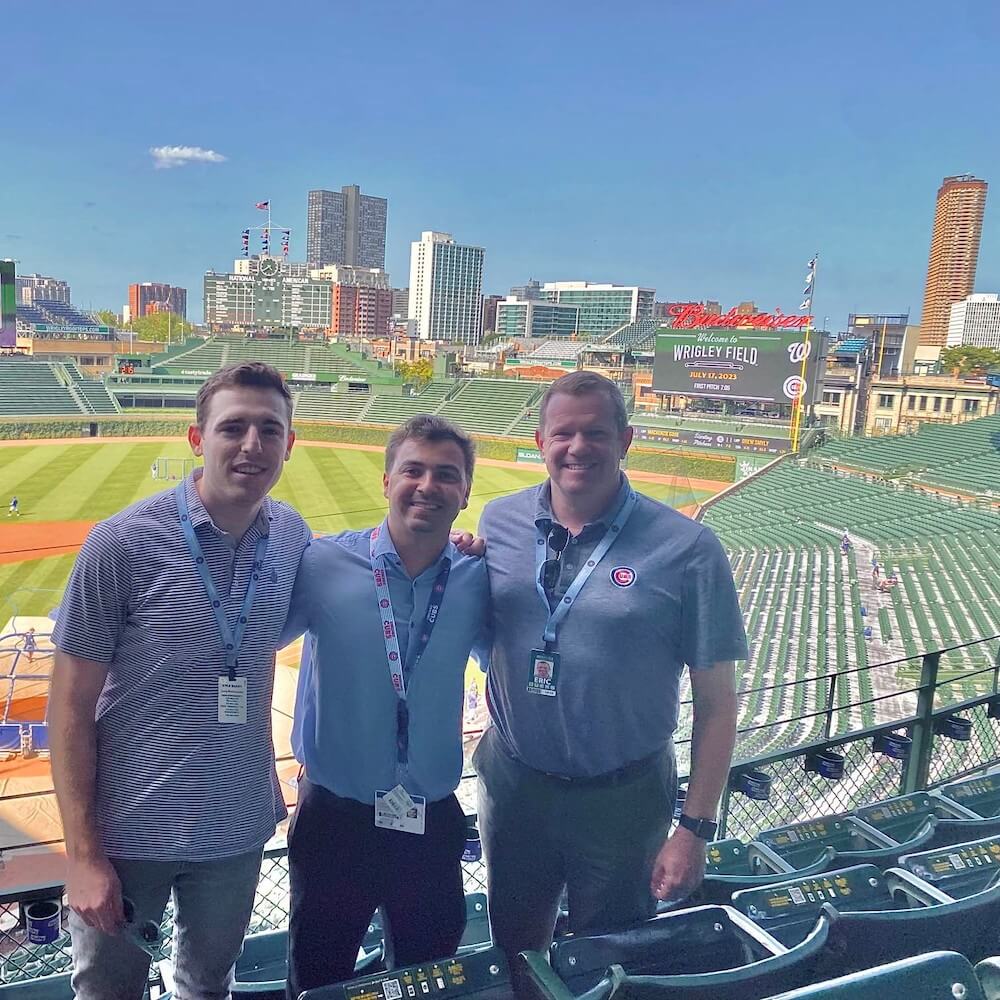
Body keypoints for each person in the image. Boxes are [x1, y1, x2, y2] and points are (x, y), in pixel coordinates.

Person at [48, 361, 311, 1000]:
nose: (252, 445)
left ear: (288, 444)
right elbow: (69, 706)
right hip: (127, 831)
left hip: (236, 827)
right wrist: (83, 856)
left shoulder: (294, 537)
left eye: (269, 430)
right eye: (234, 428)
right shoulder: (120, 543)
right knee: (108, 992)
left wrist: (460, 546)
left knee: (208, 988)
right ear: (198, 439)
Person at [475, 371, 747, 961]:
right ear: (541, 439)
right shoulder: (498, 523)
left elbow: (718, 703)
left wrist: (695, 828)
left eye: (595, 433)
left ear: (625, 440)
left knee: (610, 957)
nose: (578, 448)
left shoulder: (690, 548)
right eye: (563, 433)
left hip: (624, 799)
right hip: (516, 785)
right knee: (516, 950)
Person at [281, 415, 489, 998]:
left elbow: (511, 659)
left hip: (430, 818)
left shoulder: (480, 575)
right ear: (386, 481)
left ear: (466, 492)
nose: (427, 486)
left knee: (427, 979)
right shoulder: (321, 564)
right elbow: (251, 641)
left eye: (446, 475)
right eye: (413, 470)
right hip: (335, 819)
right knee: (319, 980)